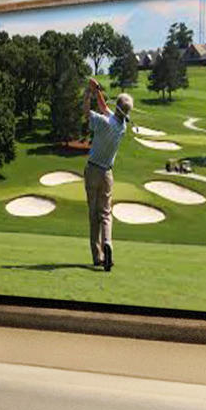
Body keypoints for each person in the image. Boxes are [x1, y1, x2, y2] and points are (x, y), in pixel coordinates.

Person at [83, 84, 133, 272]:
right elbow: (104, 107)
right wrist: (98, 91)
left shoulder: (103, 122)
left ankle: (97, 256)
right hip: (107, 174)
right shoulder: (121, 127)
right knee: (105, 213)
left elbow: (87, 113)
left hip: (92, 170)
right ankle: (108, 243)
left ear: (117, 107)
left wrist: (88, 93)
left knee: (93, 214)